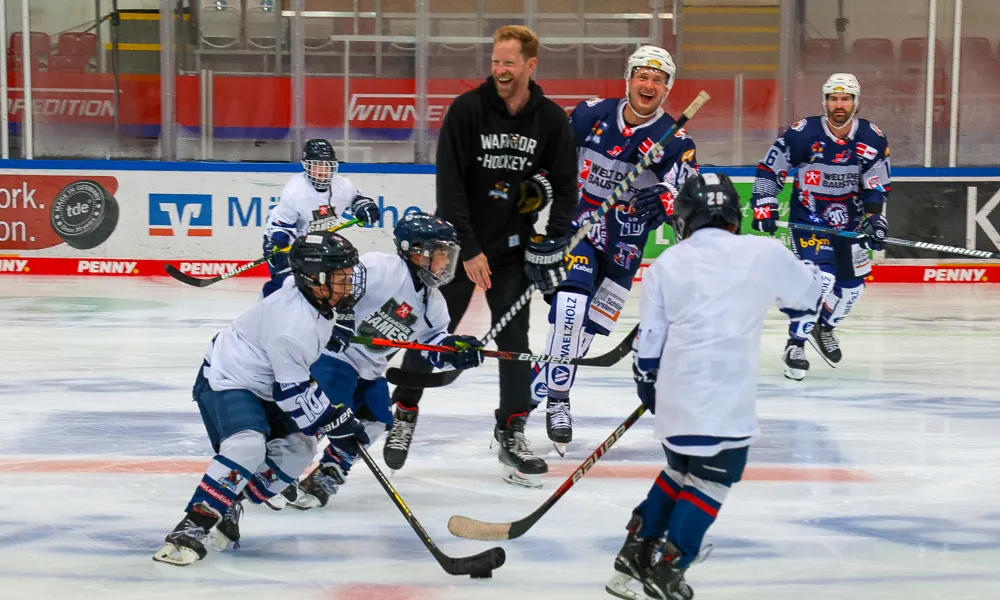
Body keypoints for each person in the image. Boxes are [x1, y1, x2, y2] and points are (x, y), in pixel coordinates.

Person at [606, 173, 824, 600]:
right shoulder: (764, 250)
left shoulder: (666, 263)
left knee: (680, 470)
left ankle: (636, 550)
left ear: (684, 217)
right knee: (713, 480)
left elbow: (648, 340)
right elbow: (809, 298)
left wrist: (647, 381)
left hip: (673, 392)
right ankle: (670, 567)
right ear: (733, 215)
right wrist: (807, 268)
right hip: (723, 398)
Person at [384, 25, 579, 489]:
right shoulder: (467, 110)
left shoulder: (550, 119)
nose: (500, 70)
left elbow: (567, 187)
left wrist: (553, 240)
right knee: (432, 332)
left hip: (513, 251)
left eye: (509, 62)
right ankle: (405, 410)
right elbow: (448, 189)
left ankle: (512, 428)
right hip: (452, 248)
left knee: (515, 342)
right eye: (495, 61)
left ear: (531, 65)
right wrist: (468, 250)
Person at [152, 231, 370, 566]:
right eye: (341, 276)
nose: (349, 284)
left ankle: (229, 499)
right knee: (247, 445)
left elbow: (285, 274)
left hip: (268, 378)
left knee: (301, 449)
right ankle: (192, 527)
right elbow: (293, 394)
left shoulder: (307, 291)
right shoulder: (292, 327)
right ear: (316, 279)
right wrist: (340, 423)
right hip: (229, 377)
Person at [527, 44, 699, 455]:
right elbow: (552, 162)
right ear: (629, 79)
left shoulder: (675, 139)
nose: (649, 84)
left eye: (658, 79)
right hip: (580, 230)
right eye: (643, 75)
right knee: (569, 310)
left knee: (580, 339)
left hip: (624, 248)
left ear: (667, 89)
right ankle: (558, 401)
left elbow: (690, 196)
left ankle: (523, 403)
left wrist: (667, 198)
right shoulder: (591, 114)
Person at [278, 213, 485, 509]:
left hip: (369, 369)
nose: (445, 263)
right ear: (416, 251)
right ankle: (279, 469)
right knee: (322, 416)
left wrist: (455, 351)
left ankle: (328, 472)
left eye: (448, 256)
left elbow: (431, 347)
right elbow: (340, 287)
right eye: (440, 255)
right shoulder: (382, 268)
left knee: (376, 420)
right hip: (333, 356)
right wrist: (340, 320)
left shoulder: (434, 304)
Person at [750, 73, 890, 380]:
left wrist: (875, 217)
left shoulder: (872, 138)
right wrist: (764, 201)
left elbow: (875, 186)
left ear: (856, 101)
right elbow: (770, 168)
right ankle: (795, 344)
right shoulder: (803, 134)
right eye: (833, 98)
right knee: (821, 280)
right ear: (824, 101)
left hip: (850, 226)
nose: (839, 105)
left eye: (846, 98)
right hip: (810, 222)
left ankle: (823, 327)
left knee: (852, 289)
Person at [261, 138, 380, 298]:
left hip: (318, 244)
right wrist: (278, 246)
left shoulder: (343, 185)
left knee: (327, 286)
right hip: (290, 242)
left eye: (327, 165)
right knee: (287, 287)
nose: (323, 171)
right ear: (307, 166)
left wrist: (365, 207)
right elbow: (282, 227)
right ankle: (265, 311)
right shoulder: (294, 191)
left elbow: (357, 200)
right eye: (317, 165)